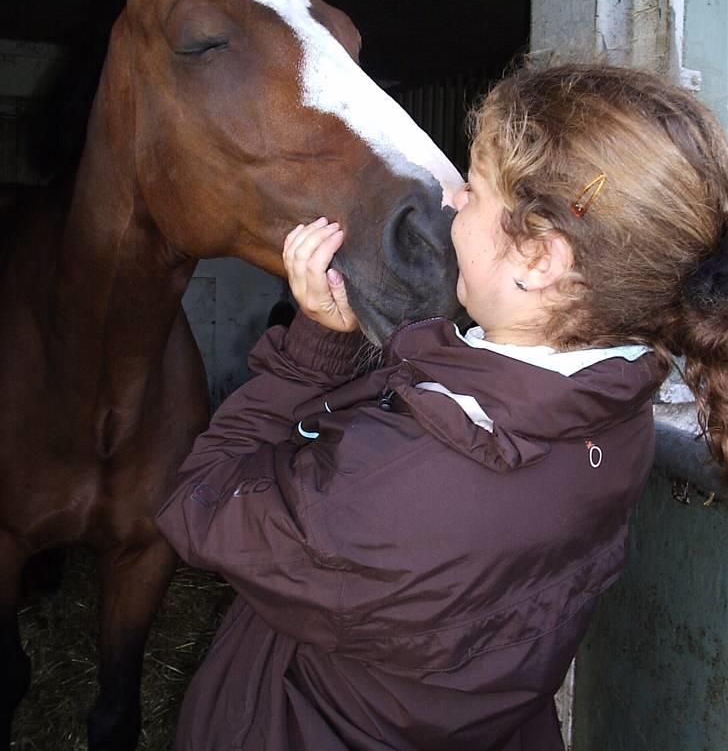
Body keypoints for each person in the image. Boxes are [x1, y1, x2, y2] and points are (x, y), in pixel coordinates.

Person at [156, 64, 728, 751]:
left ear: (540, 257)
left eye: (476, 189)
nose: (452, 200)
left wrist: (311, 352)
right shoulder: (617, 409)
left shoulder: (402, 486)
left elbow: (197, 500)